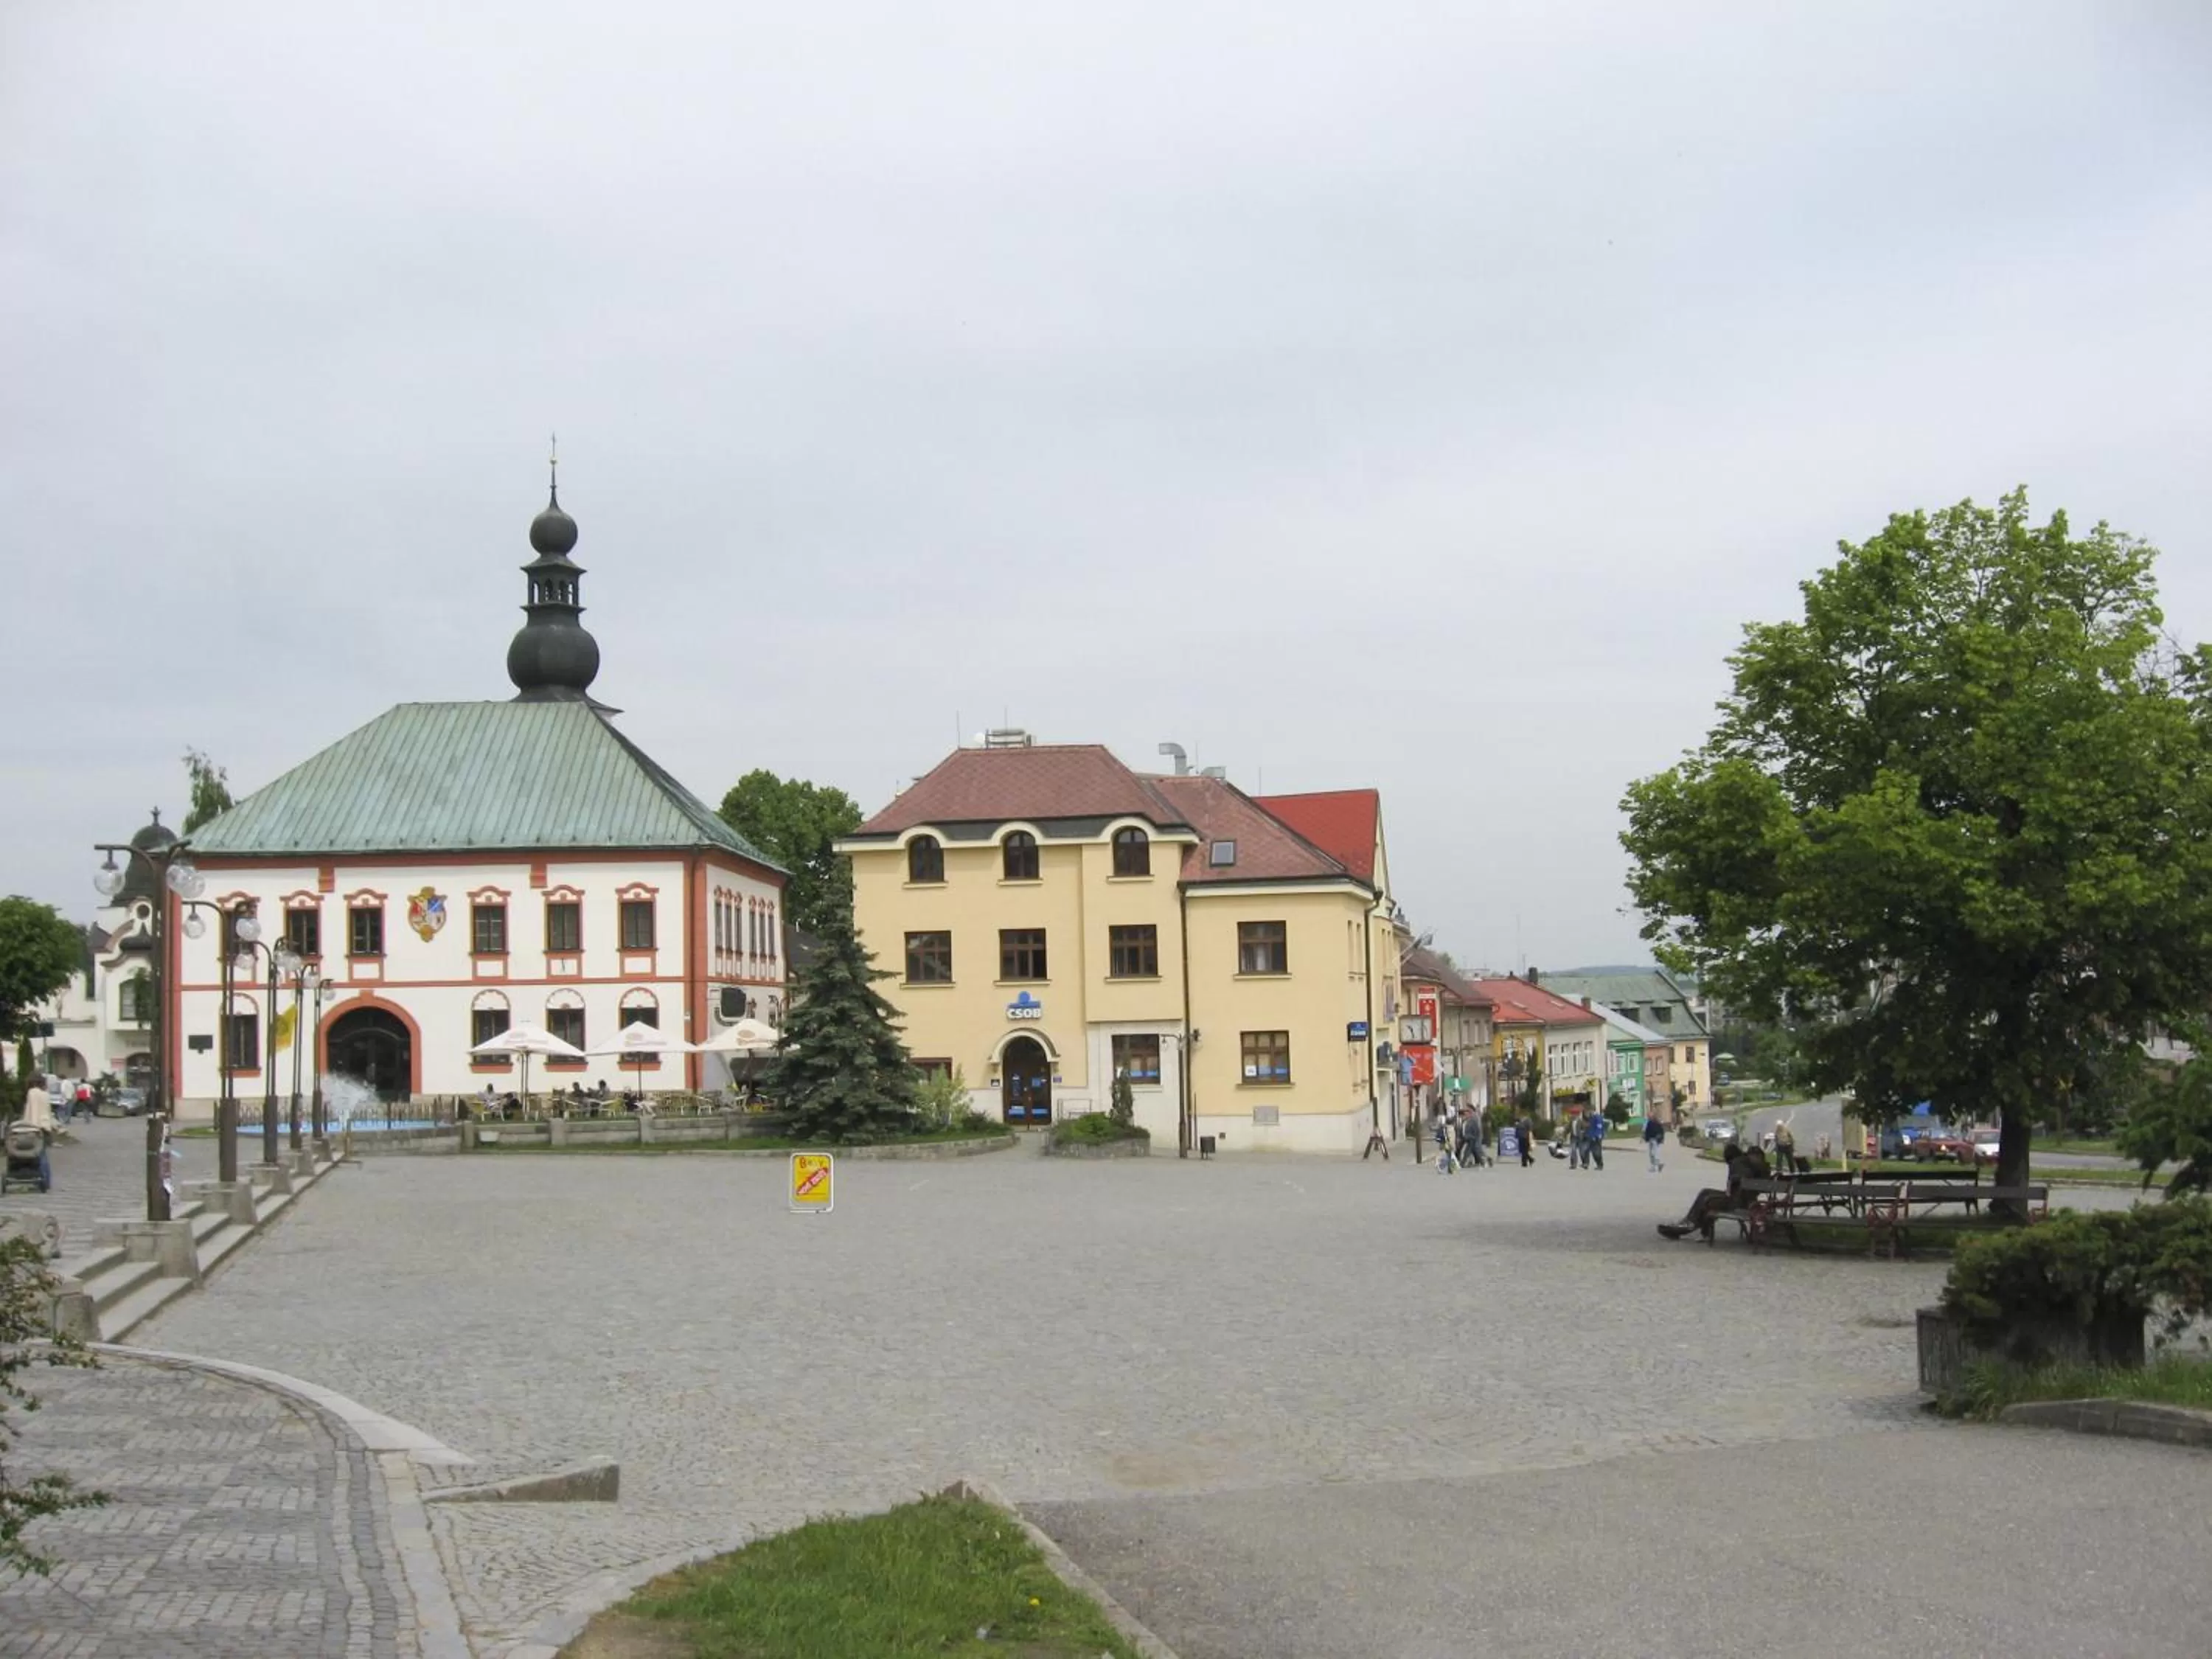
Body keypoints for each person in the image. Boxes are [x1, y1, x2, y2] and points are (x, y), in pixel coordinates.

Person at [1657, 1143, 1771, 1241]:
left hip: (1736, 1202)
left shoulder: (1739, 1163)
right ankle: (1688, 1222)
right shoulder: (1762, 1167)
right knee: (1706, 1193)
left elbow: (1741, 1180)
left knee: (1707, 1199)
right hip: (1745, 1201)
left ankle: (1689, 1225)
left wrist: (1735, 1180)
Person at [17, 1078, 56, 1190]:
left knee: (37, 1154)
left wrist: (28, 1125)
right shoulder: (46, 1095)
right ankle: (46, 1181)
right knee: (43, 1154)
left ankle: (42, 1179)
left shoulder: (32, 1093)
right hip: (45, 1126)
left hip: (35, 1126)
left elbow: (32, 1110)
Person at [1642, 1109, 1666, 1173]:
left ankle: (1656, 1167)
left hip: (1656, 1140)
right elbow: (1647, 1132)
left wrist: (1661, 1139)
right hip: (1651, 1140)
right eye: (1648, 1116)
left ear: (1652, 1116)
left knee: (1655, 1153)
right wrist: (1645, 1138)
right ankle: (1656, 1165)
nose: (1648, 1117)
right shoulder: (1649, 1123)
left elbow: (1661, 1131)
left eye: (1649, 1116)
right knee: (1651, 1154)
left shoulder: (1657, 1123)